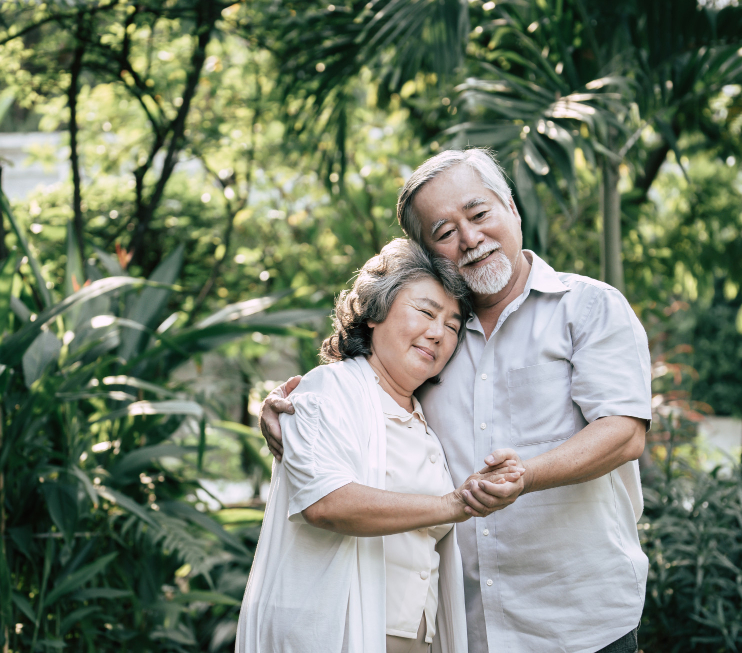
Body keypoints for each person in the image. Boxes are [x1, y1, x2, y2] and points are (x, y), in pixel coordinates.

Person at [261, 149, 652, 653]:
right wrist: (288, 410)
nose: (469, 238)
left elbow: (624, 432)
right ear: (426, 252)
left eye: (479, 213)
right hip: (467, 629)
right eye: (444, 232)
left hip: (580, 622)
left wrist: (526, 475)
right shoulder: (429, 338)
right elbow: (359, 396)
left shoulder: (588, 306)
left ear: (511, 207)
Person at [237, 238, 524, 653]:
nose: (437, 333)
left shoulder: (427, 417)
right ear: (374, 312)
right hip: (338, 634)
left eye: (452, 325)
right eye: (425, 311)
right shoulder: (328, 389)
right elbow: (326, 503)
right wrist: (455, 504)